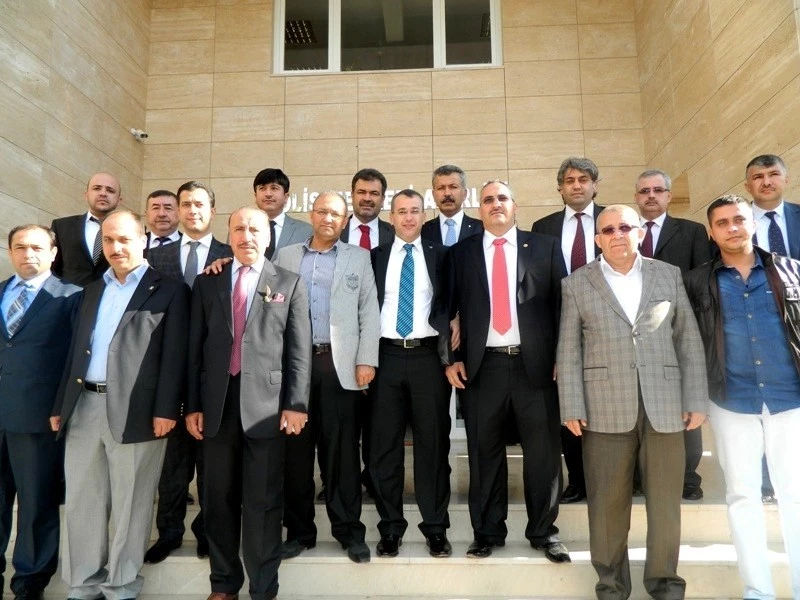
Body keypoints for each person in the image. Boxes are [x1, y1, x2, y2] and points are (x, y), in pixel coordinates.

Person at [557, 204, 707, 600]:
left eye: (625, 227)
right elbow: (569, 350)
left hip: (665, 406)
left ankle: (665, 584)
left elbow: (688, 340)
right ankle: (611, 587)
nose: (617, 235)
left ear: (640, 232)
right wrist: (571, 404)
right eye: (608, 230)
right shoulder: (576, 283)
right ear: (597, 239)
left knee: (665, 506)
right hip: (603, 409)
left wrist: (696, 397)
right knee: (606, 507)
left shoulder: (668, 274)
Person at [51, 209, 190, 600]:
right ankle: (83, 585)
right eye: (109, 240)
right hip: (83, 407)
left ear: (143, 240)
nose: (116, 247)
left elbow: (175, 356)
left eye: (124, 239)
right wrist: (61, 404)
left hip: (138, 411)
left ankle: (121, 586)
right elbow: (75, 352)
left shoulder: (171, 289)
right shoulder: (93, 290)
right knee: (82, 500)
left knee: (132, 502)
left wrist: (167, 409)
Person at [186, 206, 311, 600]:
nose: (247, 236)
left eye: (255, 229)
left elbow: (299, 350)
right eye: (239, 228)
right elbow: (194, 349)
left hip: (268, 410)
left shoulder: (288, 282)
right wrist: (193, 405)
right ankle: (224, 583)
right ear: (229, 235)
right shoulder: (208, 282)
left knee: (264, 503)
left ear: (268, 237)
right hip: (216, 406)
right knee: (217, 500)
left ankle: (263, 587)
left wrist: (296, 403)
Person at [684, 194, 800, 600]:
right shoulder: (697, 281)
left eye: (739, 219)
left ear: (752, 222)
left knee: (795, 494)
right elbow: (691, 344)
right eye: (722, 223)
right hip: (730, 400)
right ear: (711, 232)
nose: (732, 228)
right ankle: (758, 590)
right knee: (742, 495)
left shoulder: (790, 270)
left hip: (790, 397)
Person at [447, 180, 569, 562]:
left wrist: (563, 358)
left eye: (502, 198)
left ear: (515, 206)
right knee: (484, 454)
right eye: (488, 200)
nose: (495, 204)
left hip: (537, 368)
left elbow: (564, 308)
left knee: (543, 456)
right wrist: (451, 357)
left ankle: (543, 532)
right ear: (479, 209)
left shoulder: (545, 247)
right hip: (484, 368)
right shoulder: (461, 253)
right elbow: (447, 310)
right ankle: (487, 532)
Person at [275, 192, 380, 564]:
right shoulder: (285, 257)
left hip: (340, 369)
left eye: (336, 214)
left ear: (345, 219)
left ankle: (349, 531)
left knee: (343, 455)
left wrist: (366, 359)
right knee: (295, 456)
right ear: (311, 214)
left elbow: (369, 310)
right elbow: (270, 306)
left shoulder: (358, 257)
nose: (328, 219)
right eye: (322, 211)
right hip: (295, 369)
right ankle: (299, 532)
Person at [144, 181, 232, 564]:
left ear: (212, 210)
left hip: (214, 373)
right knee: (172, 463)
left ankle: (208, 532)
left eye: (200, 204)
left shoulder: (231, 255)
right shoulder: (152, 256)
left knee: (212, 462)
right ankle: (169, 532)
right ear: (178, 210)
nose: (192, 210)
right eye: (186, 204)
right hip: (168, 371)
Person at [369, 189, 453, 558]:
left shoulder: (442, 255)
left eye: (415, 211)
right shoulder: (375, 257)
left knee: (432, 446)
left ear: (424, 215)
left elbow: (453, 301)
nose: (408, 217)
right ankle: (390, 528)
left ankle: (435, 528)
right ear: (391, 217)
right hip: (384, 356)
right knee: (384, 448)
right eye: (401, 211)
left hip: (427, 358)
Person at [0, 225, 81, 600]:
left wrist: (62, 407)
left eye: (36, 247)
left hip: (38, 416)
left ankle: (30, 579)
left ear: (53, 252)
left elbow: (75, 360)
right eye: (20, 247)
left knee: (36, 502)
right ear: (10, 252)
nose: (27, 253)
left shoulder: (71, 297)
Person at [633, 169, 711, 501]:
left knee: (684, 402)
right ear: (636, 197)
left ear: (668, 195)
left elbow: (702, 281)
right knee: (640, 406)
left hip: (679, 330)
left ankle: (687, 477)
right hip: (636, 334)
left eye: (657, 190)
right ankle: (640, 476)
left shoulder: (691, 232)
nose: (651, 196)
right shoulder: (626, 232)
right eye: (644, 191)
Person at [531, 157, 605, 504]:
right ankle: (577, 480)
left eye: (584, 179)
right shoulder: (542, 227)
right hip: (562, 324)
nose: (577, 185)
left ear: (594, 185)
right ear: (560, 188)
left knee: (610, 401)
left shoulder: (612, 219)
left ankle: (618, 477)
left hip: (607, 322)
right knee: (569, 401)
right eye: (570, 180)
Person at [743, 154, 799, 503]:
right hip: (757, 323)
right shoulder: (736, 221)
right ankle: (767, 480)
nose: (766, 181)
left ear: (785, 178)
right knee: (763, 404)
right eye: (758, 176)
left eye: (773, 174)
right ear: (747, 184)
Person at [51, 172, 122, 287]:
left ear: (119, 200)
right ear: (86, 195)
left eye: (110, 190)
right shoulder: (61, 226)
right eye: (97, 188)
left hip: (110, 294)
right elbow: (52, 267)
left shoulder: (127, 231)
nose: (103, 193)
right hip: (67, 295)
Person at [252, 168, 312, 259]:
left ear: (286, 197)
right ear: (255, 196)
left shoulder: (306, 231)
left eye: (274, 188)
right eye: (262, 188)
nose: (268, 194)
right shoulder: (240, 229)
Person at [420, 164, 483, 245]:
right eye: (441, 188)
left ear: (464, 194)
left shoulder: (481, 228)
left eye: (453, 187)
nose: (447, 193)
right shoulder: (422, 231)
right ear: (433, 195)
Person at [339, 168, 395, 249]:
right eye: (361, 192)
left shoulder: (395, 234)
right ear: (352, 196)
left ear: (382, 199)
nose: (367, 198)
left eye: (374, 193)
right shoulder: (336, 230)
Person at [143, 189, 180, 255]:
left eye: (168, 208)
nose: (161, 214)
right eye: (156, 208)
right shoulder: (135, 243)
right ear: (146, 214)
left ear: (180, 213)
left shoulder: (191, 245)